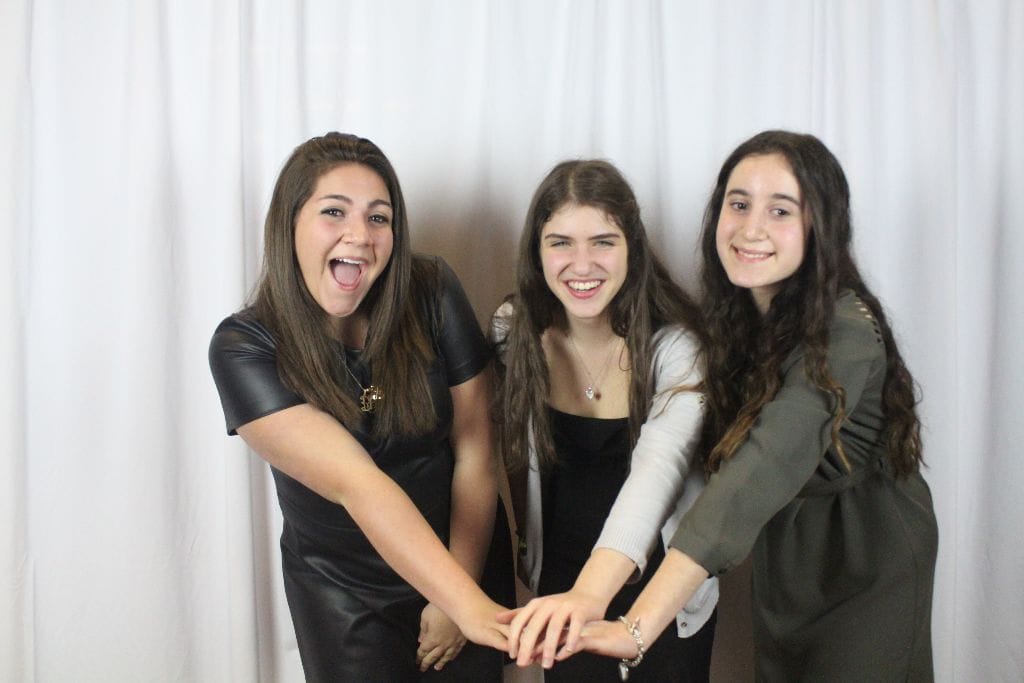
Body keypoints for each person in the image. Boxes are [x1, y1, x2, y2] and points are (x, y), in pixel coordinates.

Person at [570, 131, 939, 681]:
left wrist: (637, 627)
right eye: (738, 204)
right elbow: (672, 453)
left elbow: (762, 466)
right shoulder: (738, 319)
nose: (751, 228)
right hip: (786, 561)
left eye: (780, 210)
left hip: (867, 557)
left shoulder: (846, 331)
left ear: (820, 226)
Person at [208, 132, 513, 682]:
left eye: (378, 217)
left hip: (463, 553)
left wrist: (458, 591)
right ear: (289, 225)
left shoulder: (431, 289)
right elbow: (360, 485)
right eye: (334, 211)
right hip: (345, 595)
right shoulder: (244, 347)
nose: (360, 234)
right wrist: (466, 605)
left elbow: (476, 447)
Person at [492, 160, 718, 681]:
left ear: (632, 248)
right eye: (561, 243)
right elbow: (506, 450)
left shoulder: (679, 349)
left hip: (660, 598)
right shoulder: (512, 331)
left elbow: (659, 469)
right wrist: (528, 550)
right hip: (561, 586)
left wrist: (590, 595)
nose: (582, 264)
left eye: (603, 242)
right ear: (537, 251)